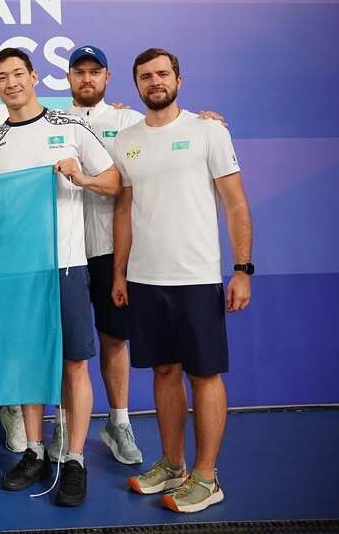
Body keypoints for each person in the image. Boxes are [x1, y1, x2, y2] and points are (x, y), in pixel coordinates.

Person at [112, 48, 252, 514]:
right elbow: (125, 211)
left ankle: (206, 478)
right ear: (136, 85)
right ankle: (173, 464)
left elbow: (235, 204)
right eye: (145, 76)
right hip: (144, 279)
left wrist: (242, 269)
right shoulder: (127, 140)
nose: (154, 81)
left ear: (178, 80)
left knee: (204, 374)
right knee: (164, 372)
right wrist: (120, 272)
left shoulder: (209, 131)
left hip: (195, 277)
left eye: (162, 74)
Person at [0, 48, 119, 507]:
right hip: (18, 269)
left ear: (34, 76)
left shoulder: (70, 127)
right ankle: (35, 452)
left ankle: (74, 459)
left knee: (75, 363)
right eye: (2, 77)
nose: (11, 83)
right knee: (27, 362)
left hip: (67, 264)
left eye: (18, 73)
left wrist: (82, 179)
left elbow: (114, 181)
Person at [60, 45, 146, 465]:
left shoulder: (128, 121)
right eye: (80, 72)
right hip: (66, 251)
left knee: (114, 337)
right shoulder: (53, 121)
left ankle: (119, 421)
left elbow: (167, 130)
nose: (87, 78)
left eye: (95, 71)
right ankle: (65, 424)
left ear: (108, 77)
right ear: (68, 78)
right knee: (68, 347)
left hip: (112, 249)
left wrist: (206, 120)